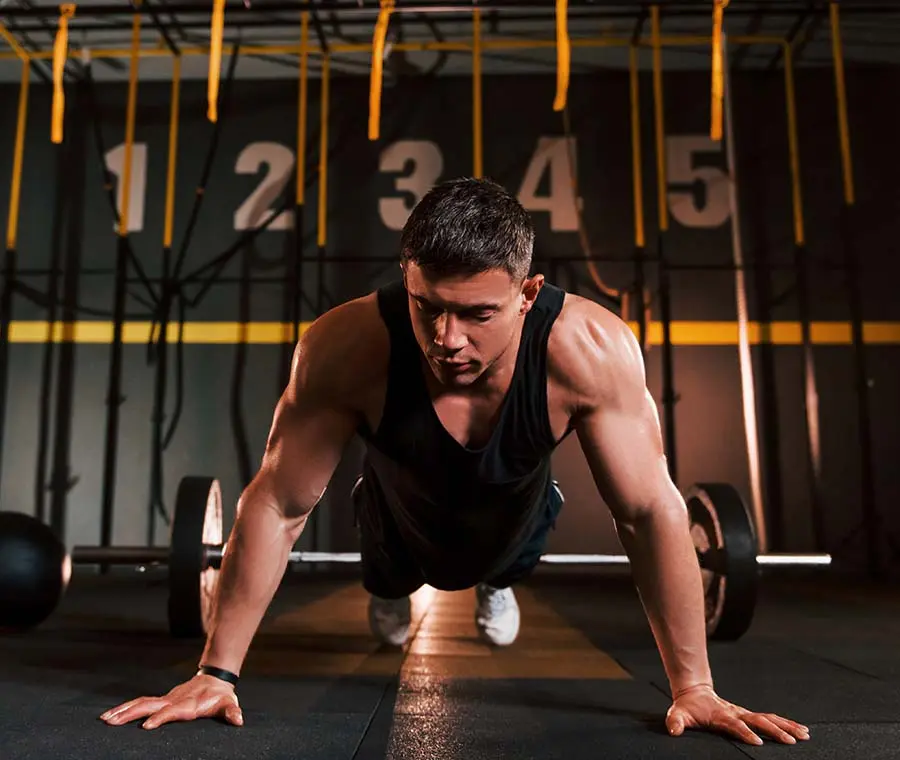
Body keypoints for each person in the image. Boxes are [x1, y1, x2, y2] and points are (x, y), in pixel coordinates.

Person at [100, 178, 810, 746]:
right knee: (390, 569)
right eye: (427, 306)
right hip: (391, 513)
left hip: (518, 512)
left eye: (478, 314)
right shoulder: (345, 346)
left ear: (527, 294)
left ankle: (495, 583)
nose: (448, 339)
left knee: (505, 559)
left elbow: (650, 510)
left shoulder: (588, 350)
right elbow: (279, 504)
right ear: (406, 276)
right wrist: (215, 671)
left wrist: (694, 686)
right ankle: (390, 589)